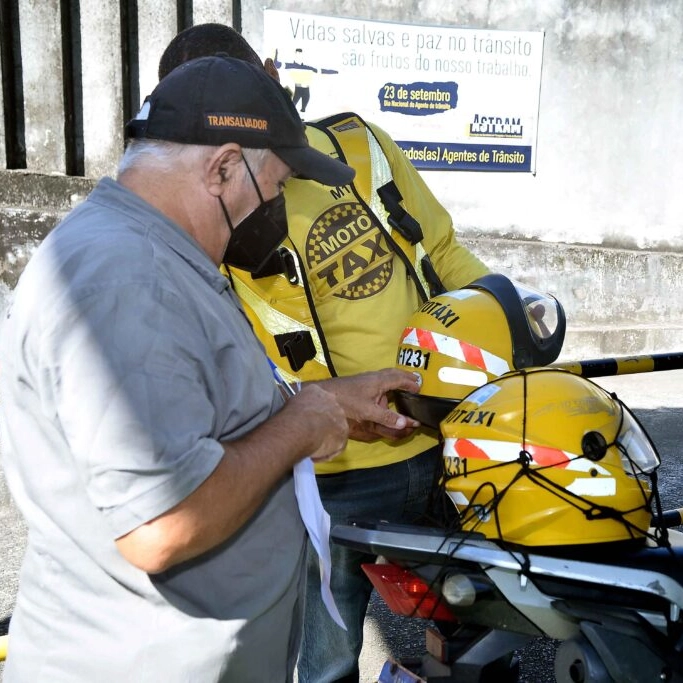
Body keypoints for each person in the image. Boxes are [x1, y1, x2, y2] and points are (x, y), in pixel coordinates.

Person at [0, 55, 421, 682]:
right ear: (223, 167)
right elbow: (159, 522)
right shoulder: (130, 280)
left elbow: (205, 412)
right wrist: (302, 427)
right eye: (276, 186)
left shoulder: (154, 255)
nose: (278, 206)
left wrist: (325, 402)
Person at [159, 25, 490, 683]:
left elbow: (445, 251)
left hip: (451, 428)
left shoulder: (358, 147)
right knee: (326, 653)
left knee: (478, 611)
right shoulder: (201, 211)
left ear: (274, 73)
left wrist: (501, 339)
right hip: (331, 469)